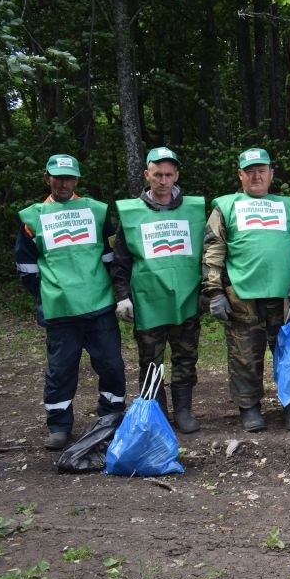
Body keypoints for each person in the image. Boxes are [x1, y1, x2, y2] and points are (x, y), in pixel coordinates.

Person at [15, 154, 126, 450]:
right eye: (57, 177)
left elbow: (108, 258)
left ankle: (111, 417)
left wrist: (114, 293)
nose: (63, 183)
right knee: (61, 370)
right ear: (46, 177)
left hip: (99, 307)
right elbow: (26, 267)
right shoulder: (32, 217)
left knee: (112, 365)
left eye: (69, 178)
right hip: (60, 310)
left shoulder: (97, 211)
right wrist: (47, 293)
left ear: (76, 180)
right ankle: (59, 426)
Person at [203, 148, 290, 432]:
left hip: (285, 298)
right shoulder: (226, 206)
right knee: (244, 356)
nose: (256, 175)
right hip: (242, 297)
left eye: (262, 170)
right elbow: (213, 250)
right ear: (240, 175)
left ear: (271, 174)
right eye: (250, 171)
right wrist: (215, 292)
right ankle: (250, 407)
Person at [111, 147, 205, 434]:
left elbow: (208, 252)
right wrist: (122, 296)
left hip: (187, 299)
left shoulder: (195, 210)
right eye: (157, 175)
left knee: (186, 356)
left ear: (176, 175)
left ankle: (184, 409)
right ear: (147, 175)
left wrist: (209, 290)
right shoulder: (131, 214)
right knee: (150, 361)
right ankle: (157, 410)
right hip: (148, 301)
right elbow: (120, 260)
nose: (163, 181)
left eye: (168, 175)